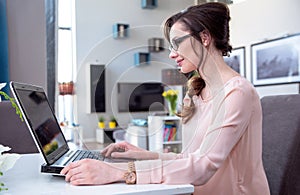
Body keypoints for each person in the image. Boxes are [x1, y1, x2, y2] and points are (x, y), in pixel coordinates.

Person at [61, 2, 270, 194]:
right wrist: (145, 155)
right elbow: (190, 158)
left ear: (204, 38)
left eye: (177, 43)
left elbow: (202, 166)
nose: (171, 54)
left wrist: (119, 173)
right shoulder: (196, 93)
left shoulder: (237, 93)